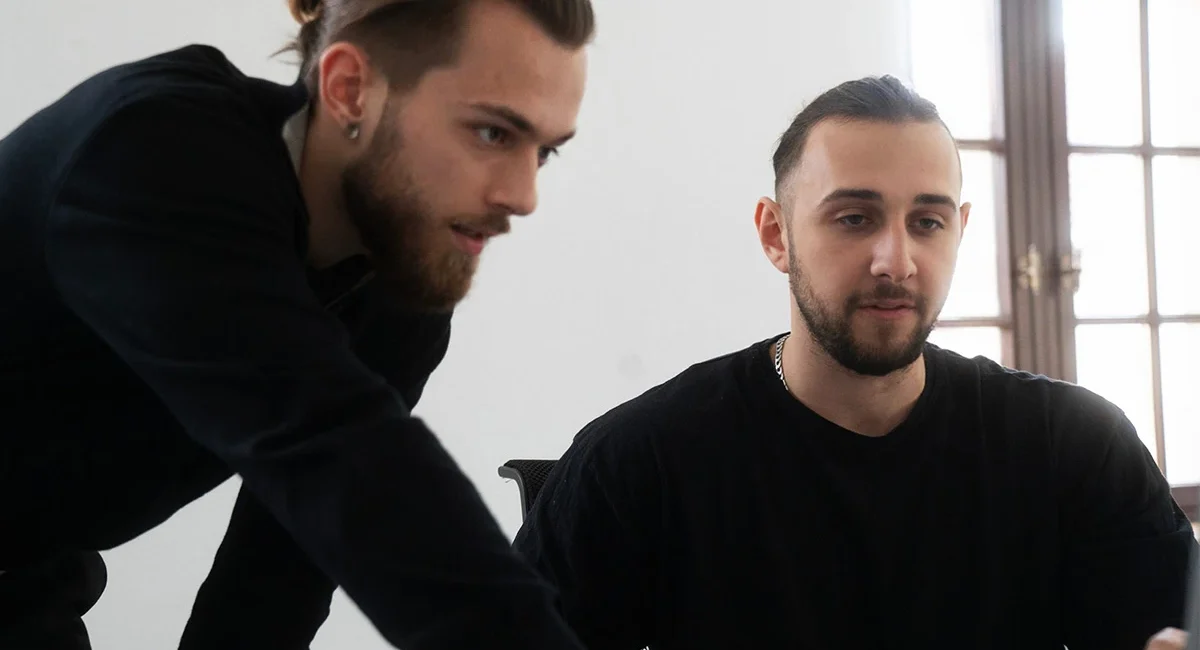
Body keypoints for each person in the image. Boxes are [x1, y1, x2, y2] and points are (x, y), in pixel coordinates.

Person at [512, 76, 1197, 650]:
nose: (896, 261)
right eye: (853, 218)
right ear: (776, 235)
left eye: (927, 222)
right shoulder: (638, 463)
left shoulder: (1073, 444)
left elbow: (1166, 629)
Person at [0, 0, 593, 648]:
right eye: (492, 133)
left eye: (546, 153)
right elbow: (356, 476)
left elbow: (281, 572)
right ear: (349, 89)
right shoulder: (158, 152)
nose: (523, 195)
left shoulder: (397, 279)